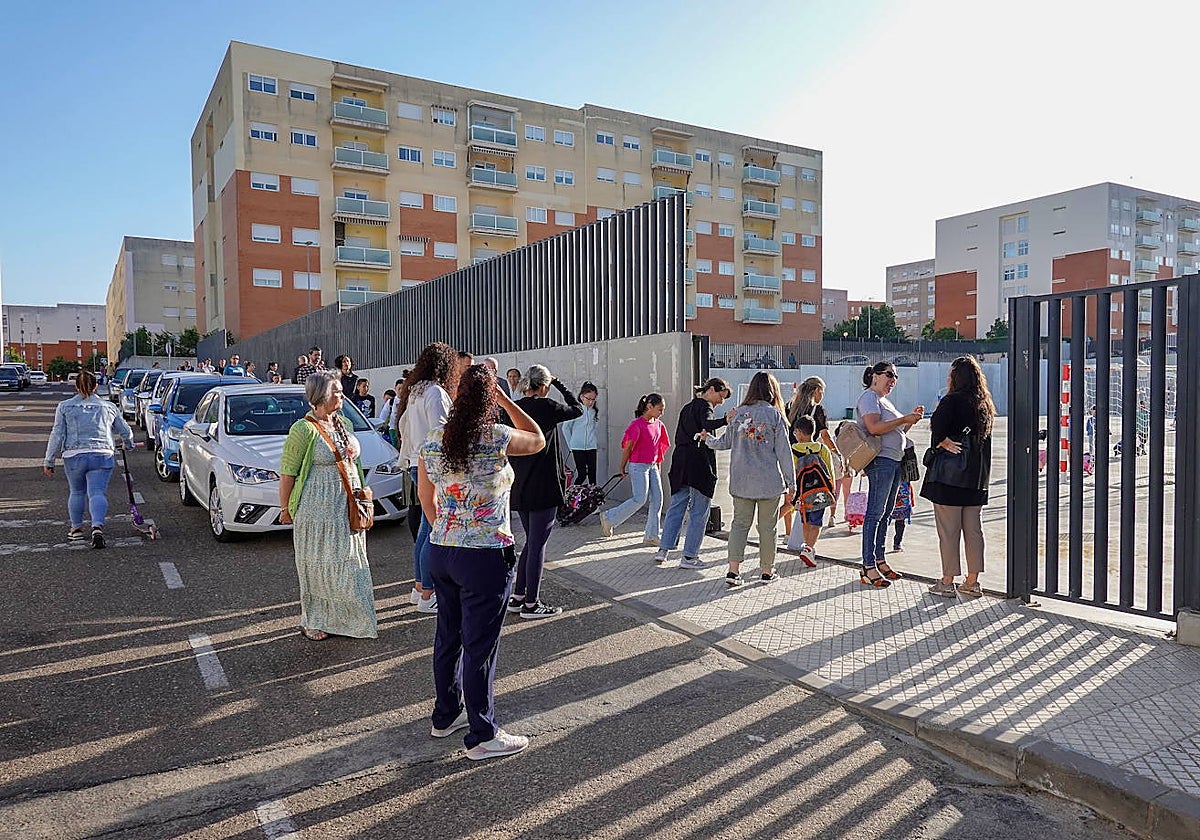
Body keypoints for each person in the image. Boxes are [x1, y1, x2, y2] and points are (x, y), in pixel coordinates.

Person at [418, 364, 546, 760]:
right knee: (479, 646)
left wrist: (448, 532)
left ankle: (445, 716)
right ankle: (483, 734)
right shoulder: (496, 436)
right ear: (489, 400)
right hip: (485, 553)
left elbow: (426, 498)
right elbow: (538, 439)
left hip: (442, 549)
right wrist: (506, 400)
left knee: (448, 637)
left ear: (456, 397)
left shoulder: (434, 440)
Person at [279, 371, 377, 641]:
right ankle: (313, 620)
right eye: (336, 391)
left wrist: (362, 494)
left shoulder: (345, 422)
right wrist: (285, 509)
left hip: (346, 505)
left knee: (348, 564)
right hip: (316, 509)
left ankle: (351, 620)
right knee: (318, 566)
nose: (342, 394)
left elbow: (354, 464)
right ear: (320, 396)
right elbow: (287, 473)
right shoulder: (303, 429)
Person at [705, 371, 795, 586]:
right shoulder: (775, 416)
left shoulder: (738, 413)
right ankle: (767, 571)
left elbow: (724, 443)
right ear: (772, 391)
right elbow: (784, 452)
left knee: (739, 525)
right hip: (768, 483)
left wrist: (708, 439)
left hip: (741, 482)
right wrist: (791, 482)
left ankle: (733, 571)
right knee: (768, 528)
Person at [508, 365, 583, 619]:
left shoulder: (515, 408)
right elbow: (577, 408)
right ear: (544, 386)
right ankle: (531, 603)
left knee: (531, 542)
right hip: (544, 484)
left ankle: (518, 596)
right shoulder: (548, 406)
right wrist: (559, 383)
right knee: (538, 545)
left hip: (519, 483)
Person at [922, 356, 995, 598]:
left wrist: (944, 442)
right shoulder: (984, 405)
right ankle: (972, 582)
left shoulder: (950, 401)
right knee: (974, 531)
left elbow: (937, 428)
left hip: (950, 478)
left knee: (949, 532)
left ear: (956, 377)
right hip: (976, 479)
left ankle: (947, 582)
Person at [397, 342, 459, 613]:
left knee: (425, 527)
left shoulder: (416, 391)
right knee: (433, 529)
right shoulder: (435, 392)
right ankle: (428, 593)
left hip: (416, 462)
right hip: (432, 465)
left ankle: (419, 587)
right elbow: (441, 433)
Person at [42, 370, 135, 549]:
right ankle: (97, 527)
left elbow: (57, 434)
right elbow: (125, 430)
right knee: (97, 492)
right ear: (96, 386)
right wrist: (128, 444)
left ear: (76, 387)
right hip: (102, 453)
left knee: (77, 492)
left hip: (74, 455)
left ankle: (76, 529)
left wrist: (49, 460)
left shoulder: (65, 406)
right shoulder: (108, 406)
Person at [856, 362, 924, 588]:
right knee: (875, 513)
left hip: (894, 460)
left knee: (885, 514)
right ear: (875, 376)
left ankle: (879, 560)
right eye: (889, 375)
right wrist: (903, 419)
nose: (893, 380)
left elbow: (896, 431)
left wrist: (910, 420)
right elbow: (874, 428)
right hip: (881, 461)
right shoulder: (869, 397)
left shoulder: (884, 400)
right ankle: (868, 566)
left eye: (896, 377)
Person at [656, 378, 731, 567]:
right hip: (699, 463)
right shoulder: (705, 407)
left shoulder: (687, 407)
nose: (721, 402)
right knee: (700, 510)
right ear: (711, 390)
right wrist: (725, 420)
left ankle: (663, 550)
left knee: (676, 506)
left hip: (680, 461)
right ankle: (689, 556)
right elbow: (707, 423)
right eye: (720, 396)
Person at [599, 394, 670, 543]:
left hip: (652, 467)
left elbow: (658, 449)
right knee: (640, 499)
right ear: (649, 407)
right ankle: (609, 517)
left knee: (658, 499)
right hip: (638, 466)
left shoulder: (659, 425)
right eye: (660, 409)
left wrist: (658, 467)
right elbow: (628, 447)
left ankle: (651, 536)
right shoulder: (637, 425)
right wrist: (622, 467)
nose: (662, 413)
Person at [786, 376, 845, 522]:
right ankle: (808, 528)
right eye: (822, 392)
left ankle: (788, 531)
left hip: (791, 455)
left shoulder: (790, 407)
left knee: (790, 496)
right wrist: (837, 453)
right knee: (810, 494)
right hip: (809, 459)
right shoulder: (817, 410)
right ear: (817, 390)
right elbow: (825, 436)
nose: (822, 395)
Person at [788, 414, 833, 567]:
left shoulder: (794, 450)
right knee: (817, 522)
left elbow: (791, 472)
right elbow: (830, 471)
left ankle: (807, 547)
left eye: (796, 432)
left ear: (800, 433)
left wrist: (791, 492)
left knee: (805, 521)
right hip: (820, 492)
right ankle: (809, 548)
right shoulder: (822, 448)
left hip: (803, 493)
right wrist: (832, 491)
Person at [560, 382, 600, 485]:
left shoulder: (593, 411)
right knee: (582, 474)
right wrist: (571, 445)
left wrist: (593, 440)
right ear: (582, 397)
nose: (591, 402)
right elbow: (565, 428)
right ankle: (572, 493)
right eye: (588, 399)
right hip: (577, 447)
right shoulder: (576, 410)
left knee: (592, 475)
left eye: (593, 399)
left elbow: (593, 428)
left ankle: (592, 494)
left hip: (591, 446)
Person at [891, 472, 914, 553]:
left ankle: (896, 544)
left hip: (899, 491)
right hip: (901, 491)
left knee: (885, 521)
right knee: (899, 522)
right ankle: (896, 544)